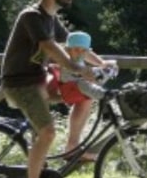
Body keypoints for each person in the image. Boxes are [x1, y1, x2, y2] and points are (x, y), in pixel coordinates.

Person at [0, 0, 112, 178]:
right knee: (48, 132)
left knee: (86, 95)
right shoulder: (31, 16)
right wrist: (79, 68)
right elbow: (50, 48)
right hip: (21, 83)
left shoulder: (51, 19)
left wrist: (101, 64)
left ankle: (72, 146)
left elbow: (75, 46)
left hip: (41, 80)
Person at [46, 30, 113, 160]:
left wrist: (102, 64)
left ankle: (73, 146)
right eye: (77, 50)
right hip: (69, 88)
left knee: (86, 102)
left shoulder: (79, 54)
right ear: (68, 50)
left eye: (83, 51)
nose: (80, 53)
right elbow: (75, 70)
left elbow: (87, 55)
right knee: (86, 87)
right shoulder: (67, 58)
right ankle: (72, 146)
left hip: (75, 87)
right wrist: (93, 72)